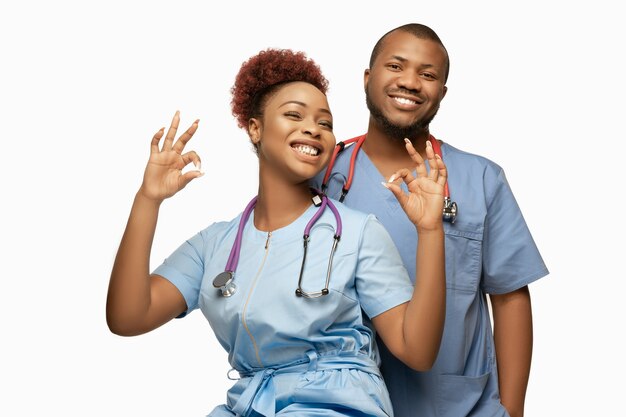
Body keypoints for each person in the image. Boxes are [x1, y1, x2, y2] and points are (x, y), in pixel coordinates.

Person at [106, 48, 449, 416]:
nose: (312, 129)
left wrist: (429, 231)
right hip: (251, 404)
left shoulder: (356, 232)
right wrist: (148, 199)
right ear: (255, 128)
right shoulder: (214, 245)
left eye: (325, 122)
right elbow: (128, 317)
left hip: (336, 404)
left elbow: (418, 350)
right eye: (293, 115)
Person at [314, 24, 549, 417]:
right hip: (344, 406)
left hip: (462, 407)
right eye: (396, 66)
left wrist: (513, 411)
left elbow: (509, 297)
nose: (410, 83)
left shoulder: (480, 179)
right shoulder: (323, 177)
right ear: (368, 79)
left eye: (428, 75)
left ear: (441, 91)